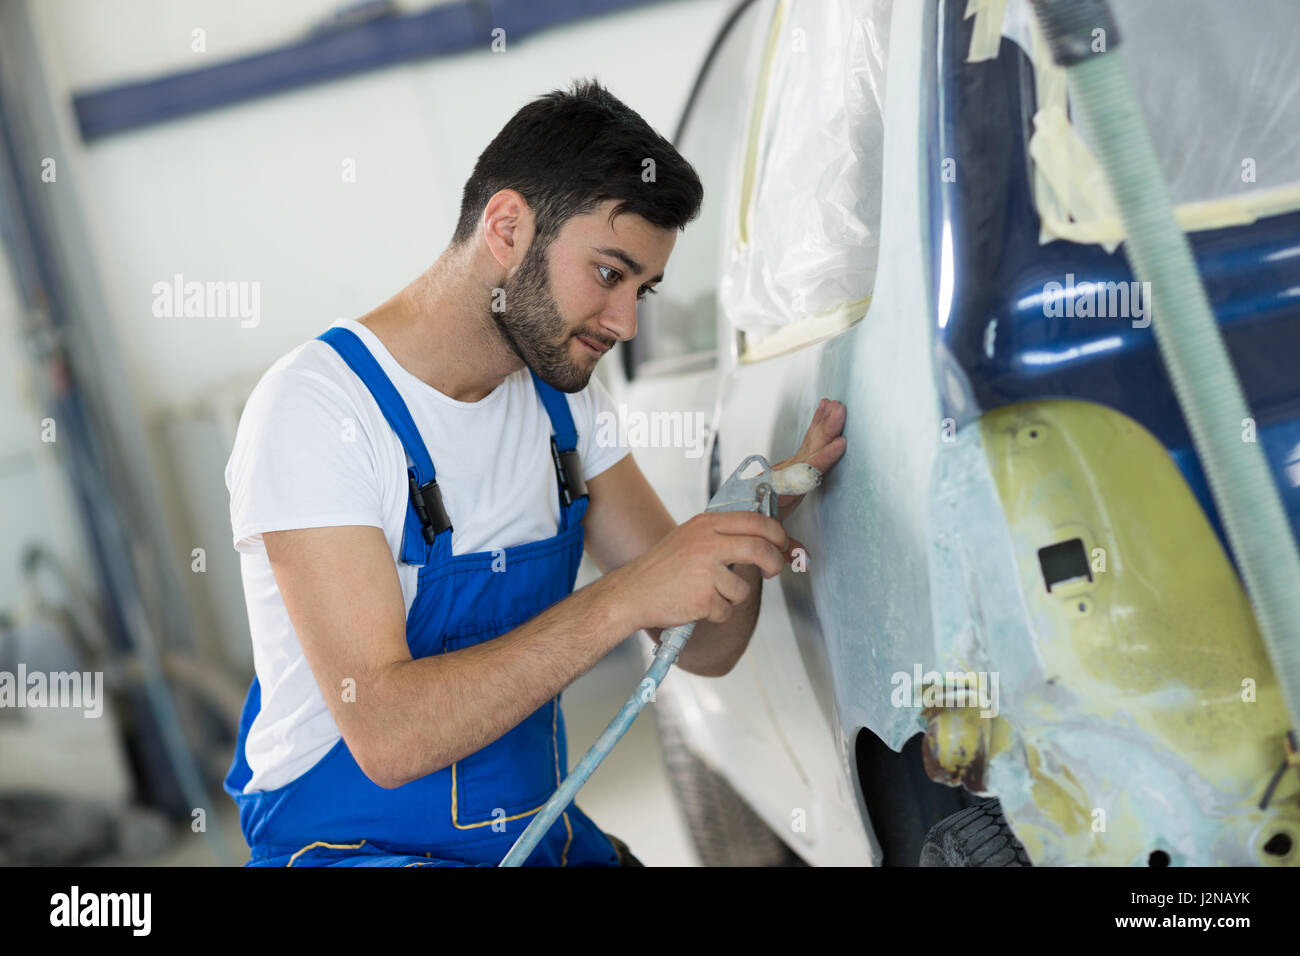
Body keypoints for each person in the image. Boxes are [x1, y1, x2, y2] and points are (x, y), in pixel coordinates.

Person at [222, 78, 847, 867]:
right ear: (508, 227)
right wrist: (624, 598)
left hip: (531, 836)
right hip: (348, 846)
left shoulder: (560, 406)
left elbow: (704, 648)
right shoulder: (318, 410)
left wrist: (748, 525)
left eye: (643, 291)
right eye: (610, 274)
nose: (624, 323)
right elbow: (387, 733)